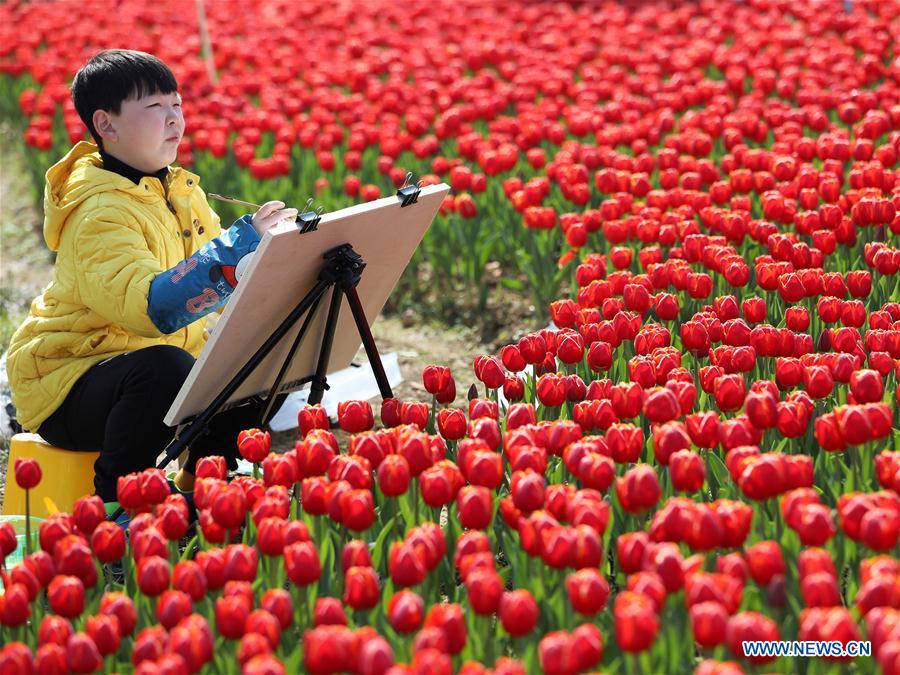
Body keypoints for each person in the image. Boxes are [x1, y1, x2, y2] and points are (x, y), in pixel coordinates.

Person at [5, 49, 296, 506]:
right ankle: (120, 505)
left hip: (151, 368)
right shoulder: (98, 212)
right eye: (155, 107)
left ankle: (204, 483)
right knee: (163, 369)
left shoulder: (181, 191)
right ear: (106, 125)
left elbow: (216, 285)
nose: (174, 118)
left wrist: (277, 252)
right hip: (70, 382)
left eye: (177, 104)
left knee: (269, 354)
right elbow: (150, 309)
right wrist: (242, 245)